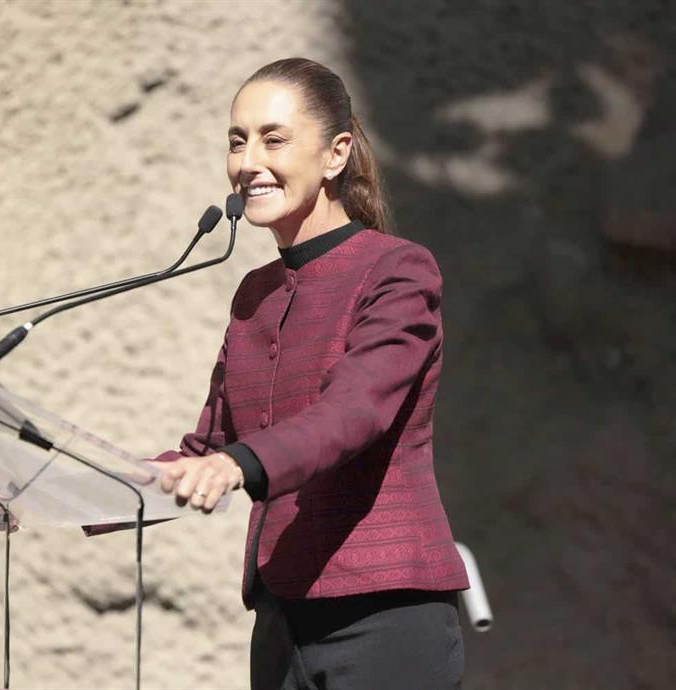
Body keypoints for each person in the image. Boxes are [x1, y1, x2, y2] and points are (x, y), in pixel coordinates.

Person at [150, 57, 470, 689]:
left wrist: (236, 465)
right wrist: (50, 489)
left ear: (335, 154)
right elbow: (205, 450)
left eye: (273, 140)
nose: (248, 162)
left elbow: (354, 413)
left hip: (383, 614)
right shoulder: (254, 294)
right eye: (237, 141)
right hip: (281, 622)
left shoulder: (397, 270)